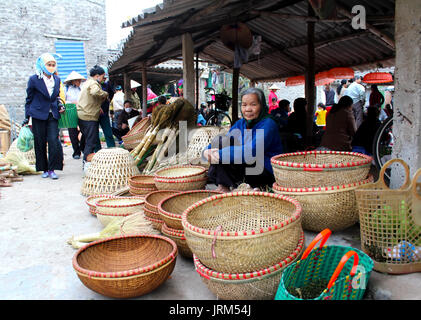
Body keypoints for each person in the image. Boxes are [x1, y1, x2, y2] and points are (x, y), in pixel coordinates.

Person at [203, 88, 283, 192]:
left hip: (265, 170)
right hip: (247, 166)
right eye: (244, 105)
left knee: (225, 154)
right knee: (222, 143)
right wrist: (207, 150)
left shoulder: (268, 124)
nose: (248, 109)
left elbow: (252, 151)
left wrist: (220, 154)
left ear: (262, 105)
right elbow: (225, 140)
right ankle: (223, 186)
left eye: (253, 104)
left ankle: (256, 187)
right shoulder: (241, 123)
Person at [23, 53, 65, 179]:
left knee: (53, 141)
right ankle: (44, 168)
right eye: (49, 65)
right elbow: (29, 98)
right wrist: (27, 116)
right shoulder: (34, 79)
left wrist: (59, 105)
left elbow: (56, 97)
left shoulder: (57, 79)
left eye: (53, 65)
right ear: (42, 65)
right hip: (38, 114)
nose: (51, 67)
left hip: (52, 114)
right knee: (40, 142)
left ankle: (52, 169)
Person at [76, 65, 108, 166]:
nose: (103, 79)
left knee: (86, 138)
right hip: (89, 116)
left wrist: (99, 107)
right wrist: (104, 94)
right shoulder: (94, 83)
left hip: (82, 114)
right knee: (91, 141)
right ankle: (86, 163)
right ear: (97, 76)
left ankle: (84, 155)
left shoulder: (86, 83)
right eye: (103, 77)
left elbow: (90, 98)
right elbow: (95, 92)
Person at [64, 71, 86, 159]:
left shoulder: (81, 89)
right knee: (73, 133)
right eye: (77, 81)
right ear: (73, 81)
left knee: (85, 130)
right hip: (70, 112)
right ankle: (76, 152)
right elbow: (64, 101)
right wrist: (74, 103)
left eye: (79, 81)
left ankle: (83, 148)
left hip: (81, 111)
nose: (79, 82)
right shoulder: (66, 89)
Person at [96, 66, 116, 150]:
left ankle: (112, 150)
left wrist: (107, 102)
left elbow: (111, 95)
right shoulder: (93, 85)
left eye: (105, 77)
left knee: (108, 133)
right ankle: (97, 152)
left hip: (104, 113)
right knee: (95, 135)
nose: (104, 78)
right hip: (94, 114)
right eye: (103, 76)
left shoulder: (107, 85)